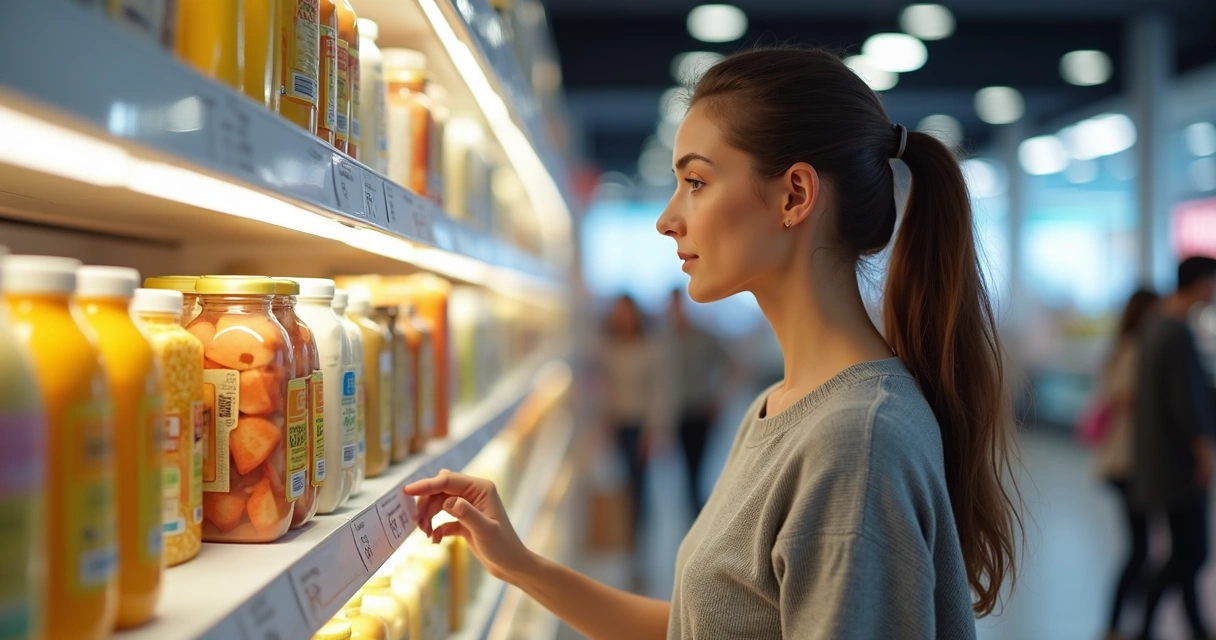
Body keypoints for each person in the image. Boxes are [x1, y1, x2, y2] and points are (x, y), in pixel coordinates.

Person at [405, 47, 1020, 639]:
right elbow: (699, 628)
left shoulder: (853, 443)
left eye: (696, 182)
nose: (667, 219)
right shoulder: (777, 409)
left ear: (795, 195)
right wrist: (518, 564)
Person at [1132, 257, 1216, 640]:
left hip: (1159, 461)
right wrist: (1203, 451)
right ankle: (1146, 625)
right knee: (1193, 553)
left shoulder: (1155, 324)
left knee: (1184, 550)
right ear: (1199, 283)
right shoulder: (1176, 332)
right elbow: (1185, 403)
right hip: (1179, 465)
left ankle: (1194, 626)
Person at [1094, 289, 1159, 639]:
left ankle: (1125, 621)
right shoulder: (1134, 349)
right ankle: (1117, 622)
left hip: (1126, 462)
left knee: (1141, 548)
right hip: (1127, 463)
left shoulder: (1124, 347)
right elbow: (1123, 398)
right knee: (1139, 549)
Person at [595, 294, 671, 546]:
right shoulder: (609, 346)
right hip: (617, 422)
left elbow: (659, 390)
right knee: (622, 480)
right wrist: (603, 424)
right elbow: (604, 388)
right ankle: (624, 530)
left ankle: (639, 535)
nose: (623, 317)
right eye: (619, 312)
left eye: (627, 312)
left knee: (639, 481)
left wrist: (654, 429)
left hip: (641, 424)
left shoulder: (650, 347)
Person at [665, 288, 731, 516]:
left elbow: (731, 365)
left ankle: (699, 513)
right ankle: (694, 513)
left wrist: (719, 397)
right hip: (676, 412)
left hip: (701, 410)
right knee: (684, 469)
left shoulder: (703, 337)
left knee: (698, 467)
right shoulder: (665, 339)